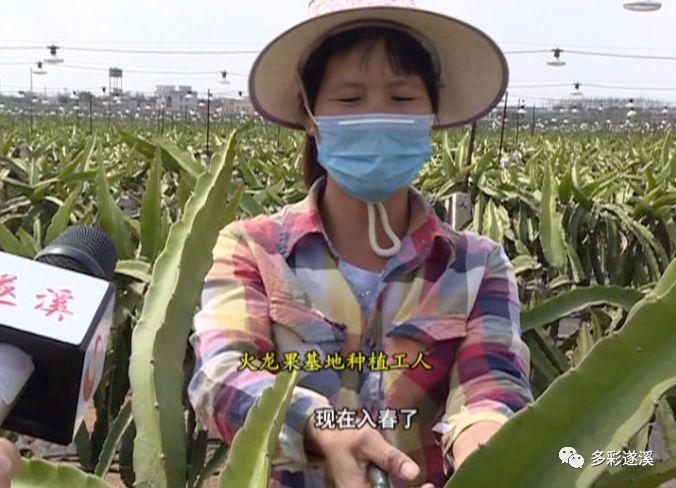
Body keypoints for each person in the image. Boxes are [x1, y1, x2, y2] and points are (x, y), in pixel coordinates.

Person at [188, 1, 533, 487]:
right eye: (350, 99)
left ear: (431, 114)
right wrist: (317, 423)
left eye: (401, 97)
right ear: (310, 116)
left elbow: (493, 385)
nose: (377, 116)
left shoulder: (476, 266)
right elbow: (220, 375)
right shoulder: (254, 250)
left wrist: (485, 442)